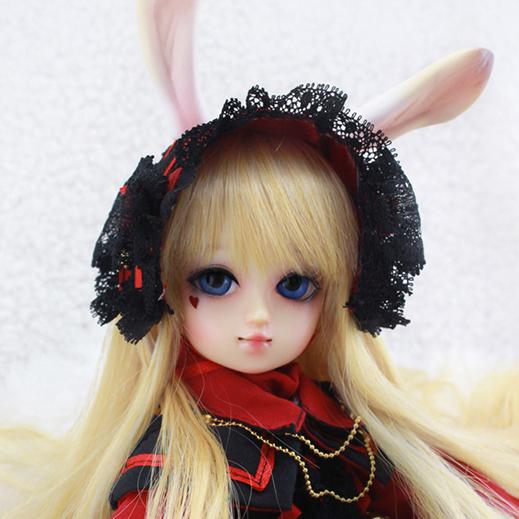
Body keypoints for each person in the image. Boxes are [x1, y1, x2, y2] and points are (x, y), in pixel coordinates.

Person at [2, 80, 518, 518]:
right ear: (165, 285)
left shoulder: (333, 417)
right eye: (215, 280)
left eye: (295, 285)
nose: (258, 317)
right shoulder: (180, 464)